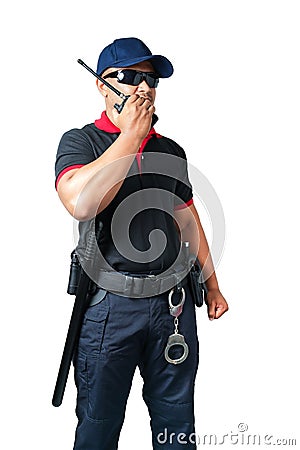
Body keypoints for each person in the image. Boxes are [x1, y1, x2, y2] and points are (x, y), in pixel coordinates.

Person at [55, 37, 228, 450]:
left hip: (174, 307)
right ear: (102, 85)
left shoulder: (170, 150)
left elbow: (186, 217)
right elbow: (80, 202)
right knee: (99, 423)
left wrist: (213, 284)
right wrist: (131, 136)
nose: (143, 87)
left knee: (176, 423)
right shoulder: (81, 142)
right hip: (108, 310)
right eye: (130, 77)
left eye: (150, 79)